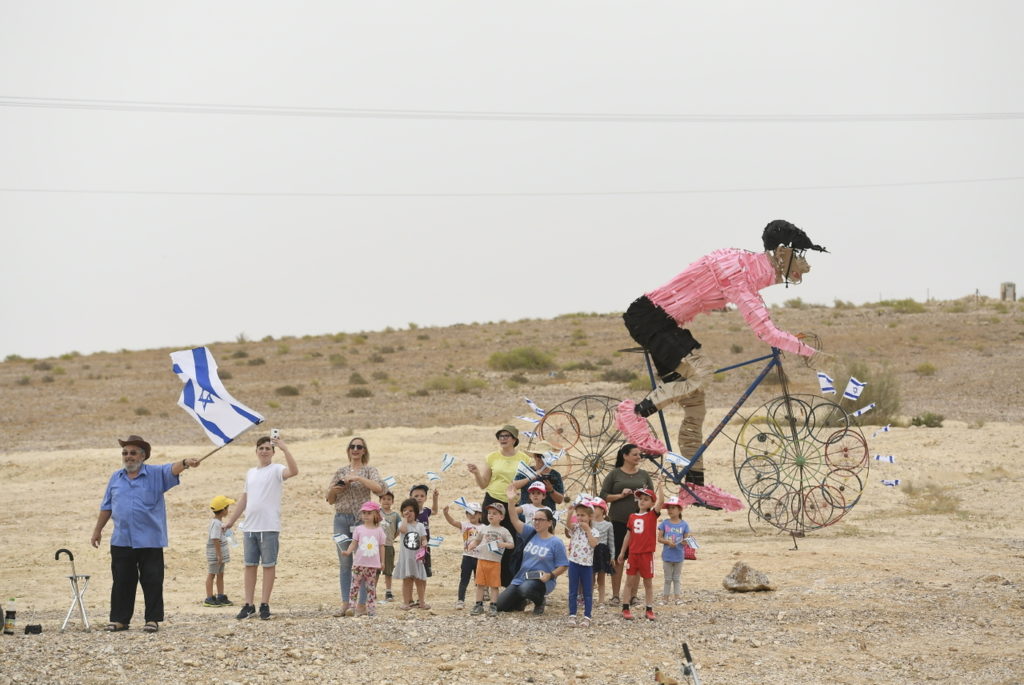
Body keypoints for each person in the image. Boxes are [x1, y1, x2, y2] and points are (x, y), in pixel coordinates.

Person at [616, 220, 828, 485]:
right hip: (651, 319)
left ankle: (693, 483)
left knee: (695, 405)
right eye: (799, 256)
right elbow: (765, 330)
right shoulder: (739, 271)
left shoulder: (746, 266)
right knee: (701, 371)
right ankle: (633, 414)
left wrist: (788, 339)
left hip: (664, 322)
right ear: (782, 253)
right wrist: (808, 352)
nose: (804, 266)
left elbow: (763, 318)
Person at [90, 435, 201, 633]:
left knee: (152, 580)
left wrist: (185, 463)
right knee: (122, 580)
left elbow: (172, 468)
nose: (128, 456)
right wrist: (97, 530)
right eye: (125, 453)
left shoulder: (156, 474)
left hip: (150, 539)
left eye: (133, 453)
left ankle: (152, 619)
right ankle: (119, 620)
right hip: (121, 539)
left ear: (143, 456)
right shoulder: (116, 477)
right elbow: (107, 506)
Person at [223, 434, 299, 621]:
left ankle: (265, 603)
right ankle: (249, 605)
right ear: (256, 451)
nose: (264, 451)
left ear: (272, 452)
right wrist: (231, 521)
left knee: (268, 565)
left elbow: (294, 471)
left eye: (267, 448)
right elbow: (245, 498)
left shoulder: (276, 469)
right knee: (249, 565)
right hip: (250, 527)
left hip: (269, 526)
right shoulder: (251, 473)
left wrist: (285, 448)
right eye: (261, 448)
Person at [325, 437, 385, 617]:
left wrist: (358, 478)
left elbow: (379, 489)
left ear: (364, 450)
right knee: (345, 562)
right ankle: (345, 603)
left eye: (359, 447)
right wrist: (335, 489)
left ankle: (361, 605)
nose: (356, 449)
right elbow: (329, 500)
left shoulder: (369, 470)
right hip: (341, 518)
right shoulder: (340, 471)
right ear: (348, 450)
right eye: (353, 446)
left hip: (363, 520)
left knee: (365, 562)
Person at [466, 425, 529, 586]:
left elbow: (529, 479)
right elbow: (483, 484)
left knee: (509, 541)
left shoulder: (524, 458)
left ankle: (506, 582)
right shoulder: (492, 457)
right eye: (500, 436)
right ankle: (484, 582)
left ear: (514, 439)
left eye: (507, 435)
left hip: (511, 503)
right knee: (488, 539)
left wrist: (514, 485)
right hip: (492, 500)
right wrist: (476, 473)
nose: (503, 438)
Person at [496, 484, 568, 616]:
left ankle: (539, 601)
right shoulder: (530, 532)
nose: (536, 522)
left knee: (526, 589)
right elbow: (513, 519)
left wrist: (550, 575)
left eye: (540, 520)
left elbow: (563, 565)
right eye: (535, 519)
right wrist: (511, 501)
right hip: (520, 578)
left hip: (542, 581)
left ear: (549, 523)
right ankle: (521, 601)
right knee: (500, 606)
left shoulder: (556, 542)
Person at [598, 443, 654, 605]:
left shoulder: (644, 475)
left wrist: (642, 499)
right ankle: (616, 595)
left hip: (640, 523)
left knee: (635, 557)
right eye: (635, 454)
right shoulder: (614, 474)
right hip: (618, 521)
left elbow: (652, 497)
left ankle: (633, 595)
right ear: (625, 455)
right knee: (618, 558)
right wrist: (620, 496)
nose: (639, 457)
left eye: (639, 454)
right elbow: (603, 497)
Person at [616, 487, 661, 621]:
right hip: (633, 554)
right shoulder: (632, 516)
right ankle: (625, 607)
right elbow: (628, 536)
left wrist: (661, 485)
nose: (642, 501)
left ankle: (649, 609)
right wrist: (622, 552)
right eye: (640, 499)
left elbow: (661, 502)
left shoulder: (652, 515)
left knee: (648, 582)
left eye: (646, 499)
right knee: (629, 581)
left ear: (652, 503)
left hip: (646, 554)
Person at [466, 502, 514, 616]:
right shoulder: (484, 528)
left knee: (494, 585)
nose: (491, 515)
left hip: (495, 562)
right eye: (489, 513)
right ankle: (478, 604)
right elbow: (477, 540)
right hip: (482, 560)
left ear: (501, 517)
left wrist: (503, 544)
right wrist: (472, 544)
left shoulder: (504, 531)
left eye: (495, 513)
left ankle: (493, 605)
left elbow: (511, 544)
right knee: (480, 584)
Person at [341, 500, 387, 617]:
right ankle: (351, 607)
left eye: (369, 513)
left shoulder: (379, 531)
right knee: (354, 585)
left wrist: (382, 561)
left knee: (371, 588)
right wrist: (348, 552)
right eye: (364, 513)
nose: (365, 515)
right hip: (359, 563)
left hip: (372, 565)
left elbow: (382, 547)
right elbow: (353, 543)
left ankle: (371, 609)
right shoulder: (359, 529)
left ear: (376, 514)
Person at [564, 499, 600, 627]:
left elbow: (593, 544)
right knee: (573, 591)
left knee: (587, 592)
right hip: (574, 563)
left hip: (587, 566)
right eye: (578, 515)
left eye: (583, 515)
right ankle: (572, 615)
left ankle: (587, 616)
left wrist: (588, 531)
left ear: (590, 517)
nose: (580, 518)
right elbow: (568, 526)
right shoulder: (575, 528)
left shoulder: (594, 532)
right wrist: (569, 513)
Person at [442, 501, 483, 610]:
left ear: (480, 514)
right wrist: (446, 514)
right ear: (466, 515)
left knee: (479, 581)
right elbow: (453, 522)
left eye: (475, 512)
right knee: (464, 579)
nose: (472, 515)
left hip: (480, 558)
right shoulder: (465, 525)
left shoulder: (485, 527)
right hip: (467, 557)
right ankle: (460, 600)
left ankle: (479, 602)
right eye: (469, 513)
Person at [394, 497, 428, 610]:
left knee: (420, 581)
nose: (408, 513)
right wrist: (404, 518)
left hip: (417, 558)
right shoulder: (401, 523)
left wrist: (424, 543)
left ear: (416, 513)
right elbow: (403, 530)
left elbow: (423, 538)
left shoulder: (420, 526)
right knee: (407, 581)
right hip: (406, 559)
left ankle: (422, 602)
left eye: (411, 511)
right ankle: (406, 602)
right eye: (405, 510)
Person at [409, 483, 439, 608]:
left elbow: (435, 511)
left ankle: (421, 598)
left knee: (424, 573)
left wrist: (435, 498)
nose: (419, 498)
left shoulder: (426, 511)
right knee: (411, 573)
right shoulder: (410, 512)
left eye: (422, 495)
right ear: (411, 497)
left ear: (425, 497)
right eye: (416, 496)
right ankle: (409, 599)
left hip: (425, 547)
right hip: (412, 546)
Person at [657, 496, 690, 605]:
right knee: (667, 579)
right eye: (669, 508)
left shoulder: (684, 524)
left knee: (676, 578)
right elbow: (659, 538)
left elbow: (687, 539)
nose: (670, 510)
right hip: (667, 555)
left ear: (679, 509)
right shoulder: (665, 523)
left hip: (679, 556)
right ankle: (665, 599)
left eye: (673, 508)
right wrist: (667, 542)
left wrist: (685, 542)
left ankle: (677, 598)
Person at [513, 440, 565, 510]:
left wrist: (551, 490)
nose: (541, 459)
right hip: (525, 515)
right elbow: (514, 486)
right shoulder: (527, 471)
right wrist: (530, 478)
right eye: (539, 456)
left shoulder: (555, 475)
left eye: (545, 456)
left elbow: (560, 500)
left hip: (547, 516)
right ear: (535, 456)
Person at [203, 495, 235, 607]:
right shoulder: (215, 524)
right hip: (216, 554)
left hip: (219, 554)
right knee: (212, 574)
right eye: (227, 508)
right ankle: (209, 597)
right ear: (223, 510)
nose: (228, 510)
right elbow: (215, 539)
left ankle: (220, 595)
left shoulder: (219, 523)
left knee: (220, 574)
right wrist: (218, 555)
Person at [589, 497, 616, 606]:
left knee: (601, 578)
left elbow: (611, 541)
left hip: (603, 552)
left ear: (603, 510)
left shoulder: (608, 525)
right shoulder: (589, 523)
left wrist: (612, 556)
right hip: (591, 551)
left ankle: (601, 601)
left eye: (596, 507)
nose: (594, 509)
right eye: (593, 507)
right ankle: (589, 600)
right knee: (590, 578)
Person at [378, 491, 400, 602]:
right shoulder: (376, 513)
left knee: (388, 570)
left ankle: (388, 591)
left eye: (389, 499)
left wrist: (392, 538)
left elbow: (399, 529)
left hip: (388, 545)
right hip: (376, 547)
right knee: (375, 569)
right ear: (380, 501)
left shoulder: (395, 515)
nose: (386, 501)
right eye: (384, 499)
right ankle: (372, 590)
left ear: (392, 501)